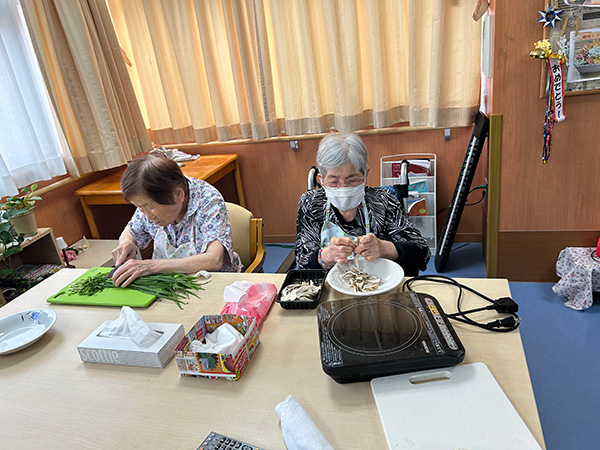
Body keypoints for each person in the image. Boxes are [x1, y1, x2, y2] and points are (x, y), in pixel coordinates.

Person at [295, 132, 430, 275]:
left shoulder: (383, 200)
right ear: (321, 180)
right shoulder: (311, 203)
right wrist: (326, 256)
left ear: (366, 175)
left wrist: (384, 248)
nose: (344, 188)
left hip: (378, 284)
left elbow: (422, 253)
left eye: (352, 180)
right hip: (330, 287)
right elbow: (302, 263)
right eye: (334, 182)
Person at [111, 151, 242, 287]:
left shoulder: (208, 200)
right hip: (170, 284)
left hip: (213, 283)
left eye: (149, 207)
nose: (147, 216)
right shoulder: (148, 203)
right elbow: (132, 230)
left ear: (178, 194)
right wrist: (126, 242)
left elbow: (214, 259)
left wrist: (151, 266)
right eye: (140, 207)